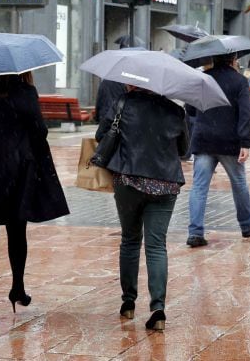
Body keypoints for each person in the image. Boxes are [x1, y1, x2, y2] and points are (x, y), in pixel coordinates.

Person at [0, 72, 70, 329]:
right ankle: (17, 286)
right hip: (18, 170)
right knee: (17, 230)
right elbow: (40, 132)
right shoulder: (26, 93)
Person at [95, 85, 189, 331]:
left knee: (130, 240)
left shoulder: (123, 103)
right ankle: (158, 307)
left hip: (128, 180)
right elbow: (184, 151)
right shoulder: (175, 111)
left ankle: (128, 303)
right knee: (157, 245)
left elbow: (100, 135)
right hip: (166, 184)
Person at [187, 53, 250, 248]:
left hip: (204, 139)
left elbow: (190, 110)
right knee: (238, 182)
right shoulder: (239, 81)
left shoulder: (204, 79)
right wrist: (245, 142)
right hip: (229, 142)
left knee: (199, 187)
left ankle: (195, 232)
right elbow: (245, 114)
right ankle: (247, 224)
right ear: (233, 59)